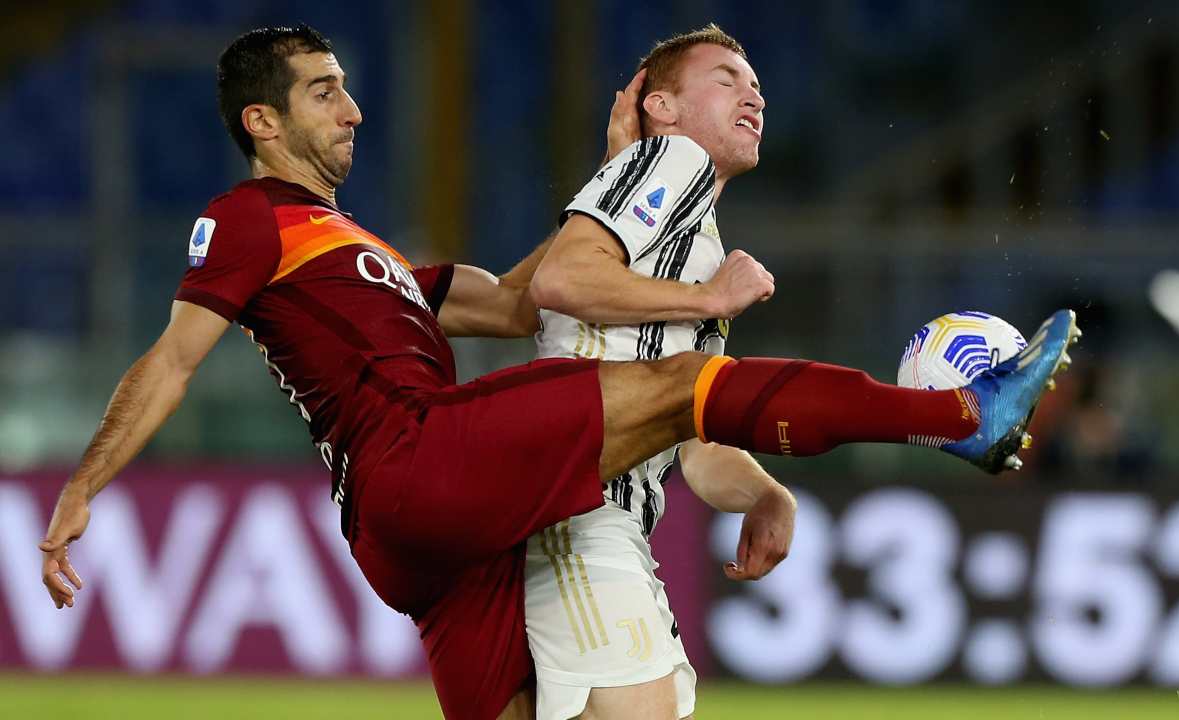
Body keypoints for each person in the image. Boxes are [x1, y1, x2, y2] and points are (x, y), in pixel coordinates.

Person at [37, 25, 1079, 720]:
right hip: (414, 459)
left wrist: (608, 171)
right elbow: (173, 359)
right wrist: (84, 485)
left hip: (431, 545)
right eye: (323, 92)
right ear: (263, 123)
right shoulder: (246, 219)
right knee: (679, 389)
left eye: (348, 89)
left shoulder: (362, 254)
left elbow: (520, 300)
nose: (352, 109)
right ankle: (956, 411)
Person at [522, 25, 792, 720]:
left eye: (756, 84)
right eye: (727, 79)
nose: (753, 94)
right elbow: (560, 278)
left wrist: (764, 494)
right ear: (662, 107)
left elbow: (696, 447)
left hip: (600, 521)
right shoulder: (672, 161)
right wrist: (709, 300)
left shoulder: (695, 234)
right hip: (578, 511)